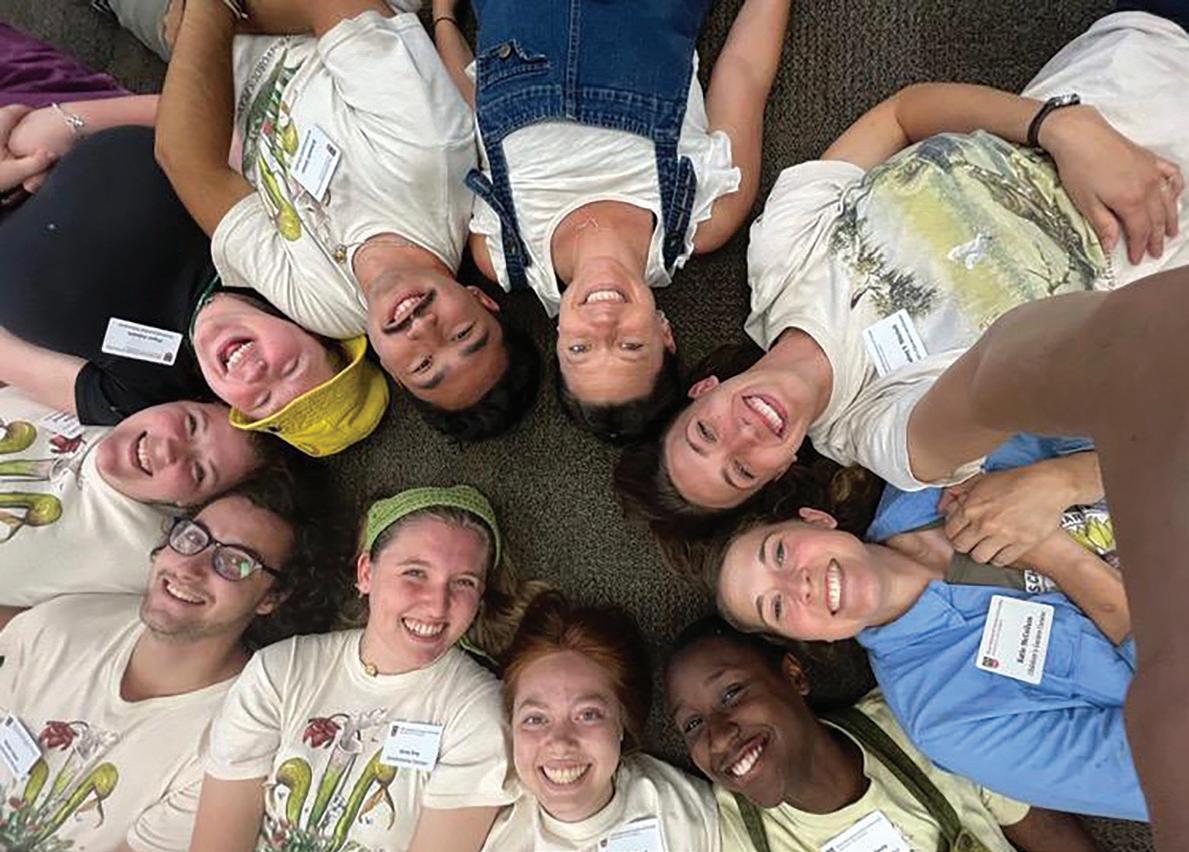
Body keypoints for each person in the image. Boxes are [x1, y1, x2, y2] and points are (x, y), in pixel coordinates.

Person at [615, 10, 1189, 519]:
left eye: (706, 433)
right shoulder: (889, 436)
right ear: (780, 473)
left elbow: (904, 114)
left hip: (1138, 55)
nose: (741, 436)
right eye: (741, 471)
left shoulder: (781, 257)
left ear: (704, 390)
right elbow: (1002, 377)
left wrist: (1059, 128)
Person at [156, 0, 540, 441]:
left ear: (393, 373)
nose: (423, 329)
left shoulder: (326, 310)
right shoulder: (431, 159)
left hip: (196, 57)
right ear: (481, 299)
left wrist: (199, 33)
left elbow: (188, 164)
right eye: (461, 333)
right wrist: (213, 17)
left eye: (423, 365)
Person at [431, 0, 789, 442]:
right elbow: (744, 72)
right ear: (664, 333)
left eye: (581, 348)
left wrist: (444, 20)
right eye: (630, 346)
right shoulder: (708, 216)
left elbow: (470, 114)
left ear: (558, 338)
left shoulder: (501, 252)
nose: (603, 322)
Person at [710, 472, 1141, 819]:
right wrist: (1058, 557)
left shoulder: (929, 475)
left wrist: (1067, 479)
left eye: (779, 554)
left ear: (817, 520)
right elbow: (1162, 771)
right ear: (809, 639)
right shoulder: (949, 720)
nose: (798, 584)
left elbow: (1132, 421)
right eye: (777, 607)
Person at [0, 123, 390, 457]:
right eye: (292, 367)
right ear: (310, 328)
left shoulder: (141, 396)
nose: (258, 374)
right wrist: (67, 120)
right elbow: (194, 119)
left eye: (263, 402)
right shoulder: (261, 242)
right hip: (38, 124)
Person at [0, 476, 346, 851]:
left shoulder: (236, 738)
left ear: (272, 598)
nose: (190, 568)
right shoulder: (67, 623)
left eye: (235, 562)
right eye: (193, 538)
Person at [190, 485, 540, 851]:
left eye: (463, 582)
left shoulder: (476, 714)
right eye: (415, 573)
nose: (437, 605)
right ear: (366, 573)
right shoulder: (280, 672)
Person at [665, 616, 1099, 852]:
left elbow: (1050, 835)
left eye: (731, 693)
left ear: (794, 675)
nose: (717, 737)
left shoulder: (920, 725)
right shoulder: (726, 833)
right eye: (692, 724)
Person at [0, 385, 294, 607]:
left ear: (194, 504)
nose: (168, 449)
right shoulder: (108, 392)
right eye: (192, 424)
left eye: (199, 472)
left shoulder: (150, 562)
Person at [483, 591, 719, 851]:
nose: (560, 743)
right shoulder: (482, 831)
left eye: (588, 715)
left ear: (622, 721)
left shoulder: (689, 814)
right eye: (535, 719)